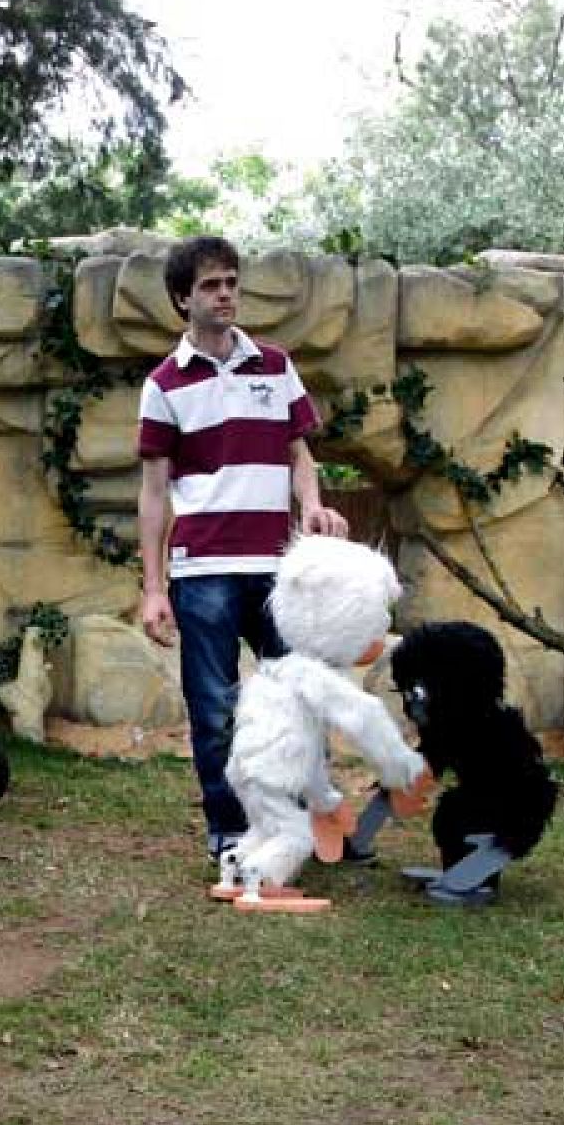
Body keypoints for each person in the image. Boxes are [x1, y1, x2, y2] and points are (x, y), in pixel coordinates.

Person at [136, 235, 347, 864]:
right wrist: (151, 589)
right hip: (202, 572)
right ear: (182, 299)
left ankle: (314, 822)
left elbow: (298, 453)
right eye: (209, 285)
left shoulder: (276, 365)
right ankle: (229, 828)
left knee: (301, 699)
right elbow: (152, 495)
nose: (225, 293)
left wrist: (310, 506)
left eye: (230, 281)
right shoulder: (164, 384)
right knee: (215, 709)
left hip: (278, 567)